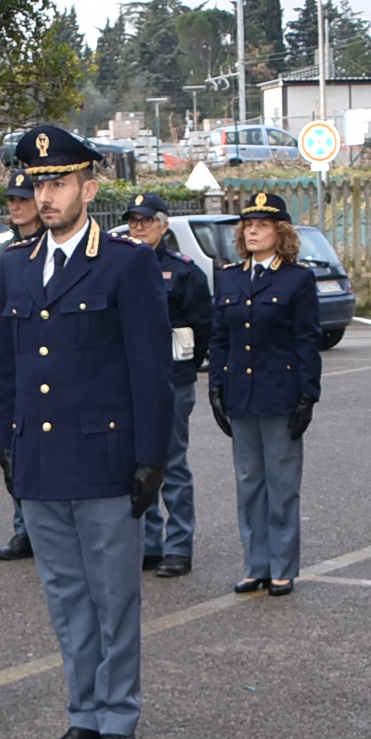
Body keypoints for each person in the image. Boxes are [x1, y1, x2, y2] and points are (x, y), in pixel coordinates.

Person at [0, 123, 169, 739]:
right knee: (66, 598)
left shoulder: (126, 262)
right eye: (38, 183)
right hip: (39, 461)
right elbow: (5, 365)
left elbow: (151, 370)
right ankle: (84, 714)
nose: (46, 194)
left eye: (58, 181)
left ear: (89, 187)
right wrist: (3, 442)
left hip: (104, 460)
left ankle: (118, 717)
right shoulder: (13, 265)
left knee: (113, 595)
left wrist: (153, 457)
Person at [210, 191, 321, 596]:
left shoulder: (297, 278)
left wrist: (309, 395)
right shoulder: (229, 277)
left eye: (263, 225)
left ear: (281, 232)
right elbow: (220, 338)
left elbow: (306, 341)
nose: (253, 231)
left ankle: (282, 567)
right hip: (241, 394)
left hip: (280, 394)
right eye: (248, 225)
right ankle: (255, 564)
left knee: (282, 484)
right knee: (249, 482)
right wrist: (216, 387)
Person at [124, 190, 210, 577]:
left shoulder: (184, 270)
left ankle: (179, 546)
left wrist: (185, 366)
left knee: (173, 464)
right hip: (131, 381)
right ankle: (151, 545)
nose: (139, 227)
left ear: (163, 224)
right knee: (139, 461)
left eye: (146, 220)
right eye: (133, 221)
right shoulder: (122, 265)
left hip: (173, 380)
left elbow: (202, 327)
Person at [0, 172, 45, 562]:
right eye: (11, 199)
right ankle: (24, 527)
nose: (16, 206)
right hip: (19, 374)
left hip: (48, 372)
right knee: (18, 452)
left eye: (23, 199)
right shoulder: (7, 258)